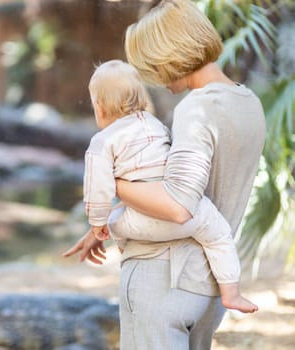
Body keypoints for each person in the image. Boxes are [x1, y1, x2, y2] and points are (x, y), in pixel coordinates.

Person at [64, 0, 266, 349]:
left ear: (169, 55)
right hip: (211, 283)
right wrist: (107, 223)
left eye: (151, 65)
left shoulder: (197, 108)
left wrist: (110, 181)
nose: (152, 78)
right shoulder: (248, 102)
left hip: (163, 277)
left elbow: (177, 205)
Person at [71, 58, 257, 313]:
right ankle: (232, 293)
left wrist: (98, 225)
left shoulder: (102, 142)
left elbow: (97, 191)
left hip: (146, 222)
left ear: (99, 108)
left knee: (115, 220)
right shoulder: (156, 126)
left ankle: (128, 252)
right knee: (220, 235)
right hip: (190, 214)